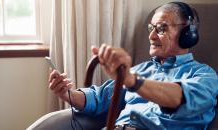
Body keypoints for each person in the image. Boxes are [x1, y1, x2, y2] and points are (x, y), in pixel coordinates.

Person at [27, 2, 218, 130]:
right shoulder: (139, 71)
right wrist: (67, 93)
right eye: (151, 28)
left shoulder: (204, 76)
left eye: (161, 29)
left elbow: (178, 98)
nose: (151, 36)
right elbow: (100, 98)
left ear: (188, 34)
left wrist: (132, 81)